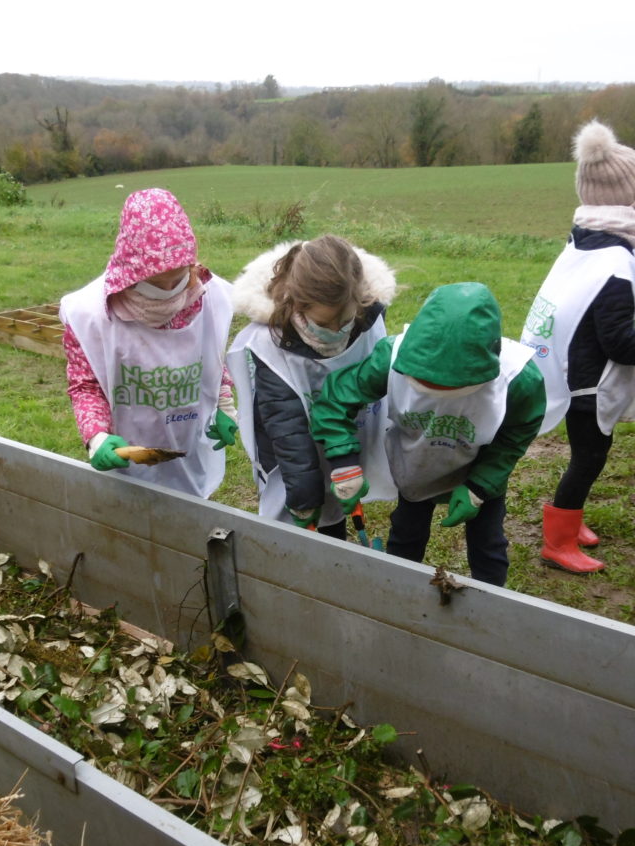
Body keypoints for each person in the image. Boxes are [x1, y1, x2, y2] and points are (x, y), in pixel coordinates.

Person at [520, 120, 635, 574]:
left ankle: (568, 521)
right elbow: (617, 338)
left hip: (570, 367)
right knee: (589, 457)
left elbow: (604, 308)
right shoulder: (617, 260)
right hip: (587, 384)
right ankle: (558, 542)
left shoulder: (584, 242)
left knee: (586, 456)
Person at [309, 282, 544, 587]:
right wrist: (343, 461)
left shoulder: (519, 380)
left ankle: (491, 606)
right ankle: (399, 591)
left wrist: (481, 487)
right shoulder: (389, 359)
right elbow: (336, 399)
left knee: (488, 543)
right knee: (407, 533)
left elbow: (516, 434)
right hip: (417, 464)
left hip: (477, 462)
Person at [59, 188, 237, 499]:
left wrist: (224, 403)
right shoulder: (91, 314)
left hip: (188, 447)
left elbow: (212, 357)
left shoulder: (208, 297)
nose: (169, 291)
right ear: (131, 274)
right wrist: (96, 435)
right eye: (157, 284)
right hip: (128, 454)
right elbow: (86, 385)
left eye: (178, 278)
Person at [226, 235, 398, 536]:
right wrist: (303, 499)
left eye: (342, 320)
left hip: (344, 437)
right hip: (292, 455)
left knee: (336, 509)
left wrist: (346, 464)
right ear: (296, 305)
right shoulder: (271, 345)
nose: (334, 331)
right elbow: (286, 428)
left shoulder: (366, 317)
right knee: (301, 522)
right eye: (323, 323)